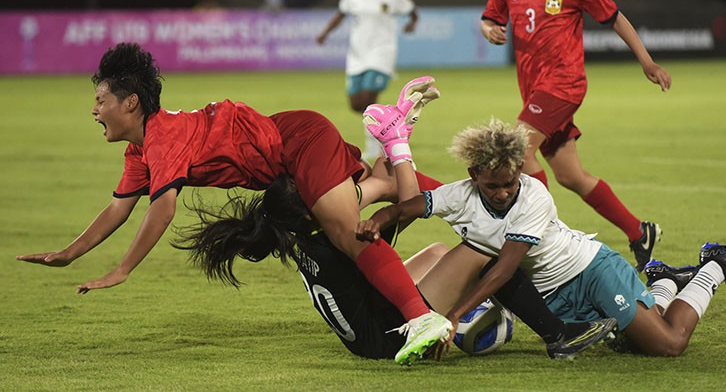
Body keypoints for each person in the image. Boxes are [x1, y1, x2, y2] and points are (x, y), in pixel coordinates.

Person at [15, 43, 450, 366]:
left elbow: (162, 210)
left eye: (100, 101)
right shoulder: (142, 150)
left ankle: (421, 317)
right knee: (387, 188)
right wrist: (69, 254)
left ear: (129, 104)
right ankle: (472, 196)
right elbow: (118, 208)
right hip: (293, 149)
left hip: (297, 146)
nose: (94, 110)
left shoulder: (162, 139)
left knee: (350, 233)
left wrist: (123, 269)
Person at [175, 103, 617, 362]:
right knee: (481, 249)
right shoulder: (342, 235)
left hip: (366, 326)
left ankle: (489, 308)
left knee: (439, 250)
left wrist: (393, 154)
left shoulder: (311, 233)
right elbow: (402, 204)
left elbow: (387, 194)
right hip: (388, 337)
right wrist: (397, 148)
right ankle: (557, 334)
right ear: (312, 205)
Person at [357, 119, 726, 357]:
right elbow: (407, 205)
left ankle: (715, 266)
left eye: (508, 182)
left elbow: (504, 268)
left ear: (519, 169)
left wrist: (453, 315)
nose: (502, 192)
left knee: (666, 345)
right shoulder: (460, 195)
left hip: (590, 270)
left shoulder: (533, 196)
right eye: (492, 187)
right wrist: (380, 219)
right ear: (474, 178)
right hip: (550, 295)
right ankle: (666, 280)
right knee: (628, 348)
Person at [480, 0, 673, 271]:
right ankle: (639, 231)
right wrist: (489, 29)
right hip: (535, 90)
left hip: (565, 84)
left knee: (519, 151)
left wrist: (646, 61)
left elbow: (615, 19)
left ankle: (543, 235)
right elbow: (490, 18)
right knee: (570, 175)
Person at [317, 0, 419, 160]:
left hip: (382, 53)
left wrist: (411, 23)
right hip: (357, 54)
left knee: (369, 98)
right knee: (356, 104)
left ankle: (377, 144)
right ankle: (393, 123)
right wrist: (325, 32)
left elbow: (411, 10)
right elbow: (341, 14)